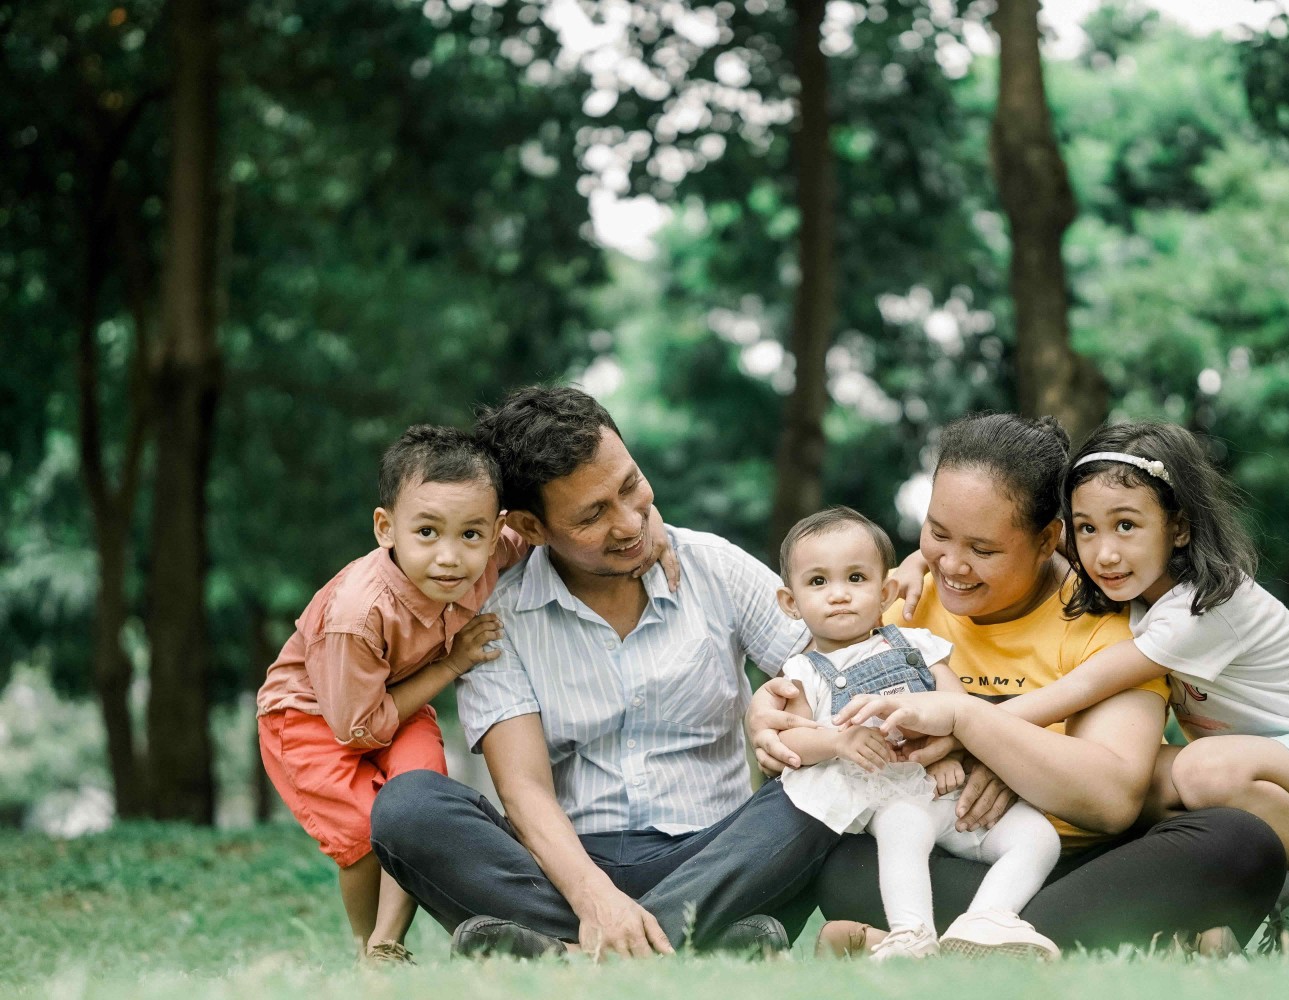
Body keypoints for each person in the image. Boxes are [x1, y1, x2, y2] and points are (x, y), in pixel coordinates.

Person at [752, 412, 1287, 954]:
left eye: (983, 550)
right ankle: (1069, 941)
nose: (952, 565)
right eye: (937, 533)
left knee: (1244, 842)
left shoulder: (1104, 615)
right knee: (842, 858)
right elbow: (818, 712)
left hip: (1082, 861)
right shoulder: (902, 599)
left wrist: (982, 734)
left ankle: (955, 943)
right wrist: (770, 717)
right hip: (935, 855)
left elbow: (1112, 799)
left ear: (1047, 539)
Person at [369, 386, 841, 961]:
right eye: (593, 515)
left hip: (717, 856)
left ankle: (570, 957)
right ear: (530, 527)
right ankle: (699, 946)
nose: (628, 523)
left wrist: (784, 707)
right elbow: (524, 790)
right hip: (566, 872)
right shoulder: (499, 619)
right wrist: (596, 899)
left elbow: (838, 667)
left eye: (630, 487)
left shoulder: (711, 567)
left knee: (833, 780)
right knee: (408, 806)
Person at [966, 421, 1289, 960]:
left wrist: (973, 728)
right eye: (1086, 529)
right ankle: (1275, 880)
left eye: (1126, 525)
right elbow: (1028, 561)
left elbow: (1082, 685)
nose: (1103, 553)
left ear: (1178, 527)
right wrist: (924, 561)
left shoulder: (1206, 606)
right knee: (1121, 779)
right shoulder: (1134, 592)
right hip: (1263, 779)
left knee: (1201, 769)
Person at [256, 425, 519, 963]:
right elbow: (355, 729)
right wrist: (455, 661)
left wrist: (654, 536)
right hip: (311, 717)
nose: (450, 558)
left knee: (418, 802)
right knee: (361, 834)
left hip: (394, 701)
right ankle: (366, 951)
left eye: (470, 535)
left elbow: (554, 527)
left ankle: (386, 946)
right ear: (386, 528)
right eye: (427, 532)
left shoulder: (489, 555)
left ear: (495, 535)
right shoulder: (358, 614)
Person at [772, 506, 1062, 960]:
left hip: (951, 794)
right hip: (891, 798)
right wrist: (837, 741)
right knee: (903, 829)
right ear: (790, 602)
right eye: (817, 582)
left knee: (1039, 836)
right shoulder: (804, 671)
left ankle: (985, 921)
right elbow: (790, 741)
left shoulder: (917, 646)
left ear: (885, 591)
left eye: (855, 578)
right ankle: (913, 932)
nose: (839, 595)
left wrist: (949, 754)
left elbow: (958, 711)